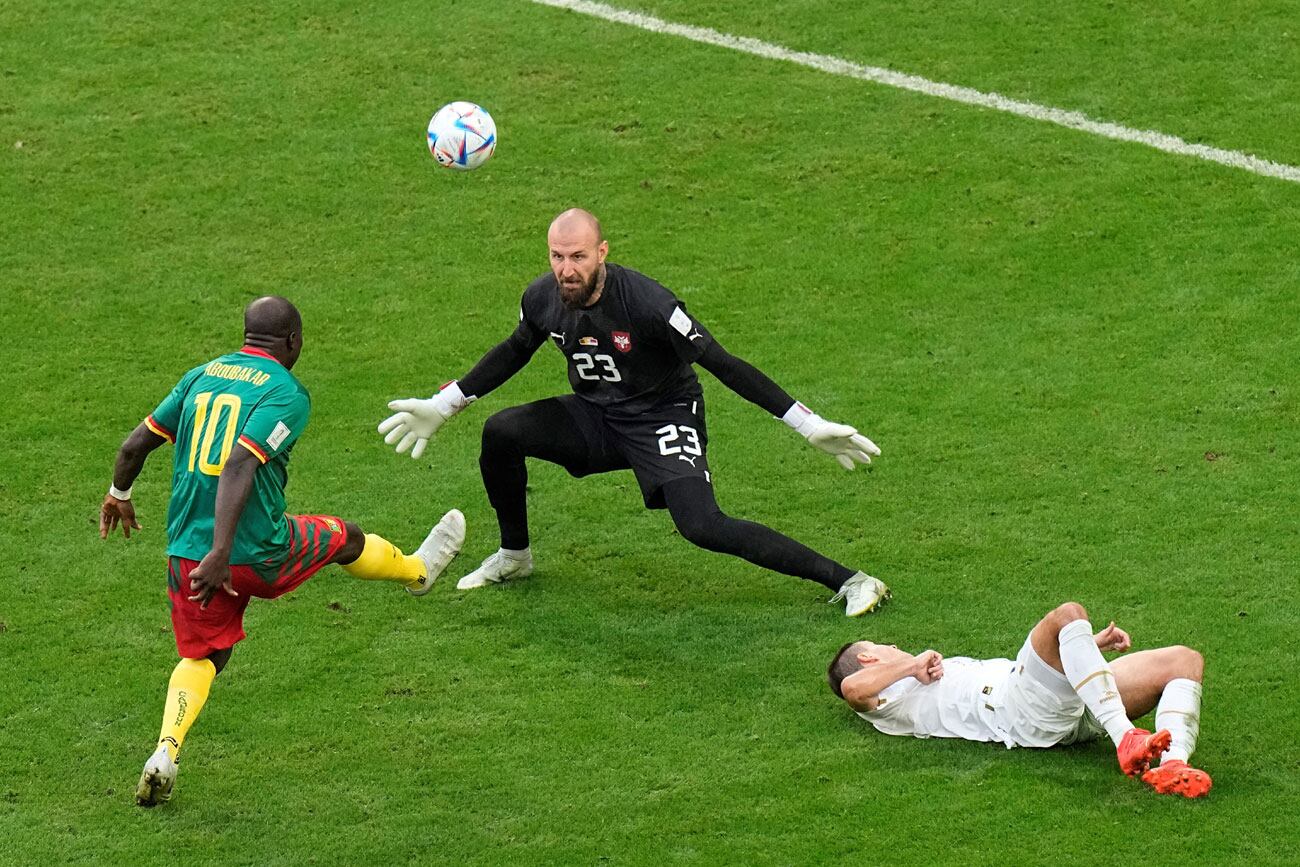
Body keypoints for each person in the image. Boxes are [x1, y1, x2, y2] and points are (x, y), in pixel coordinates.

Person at [379, 208, 889, 616]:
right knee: (503, 433)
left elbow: (724, 364)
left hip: (663, 415)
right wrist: (444, 405)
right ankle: (515, 557)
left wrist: (807, 423)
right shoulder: (542, 296)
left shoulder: (648, 303)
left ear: (602, 252)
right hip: (597, 416)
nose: (566, 269)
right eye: (557, 256)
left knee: (702, 525)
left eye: (578, 256)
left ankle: (851, 580)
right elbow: (515, 350)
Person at [100, 296, 466, 807]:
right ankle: (417, 572)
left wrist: (119, 495)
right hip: (253, 550)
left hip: (188, 554)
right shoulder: (286, 392)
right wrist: (225, 552)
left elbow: (134, 445)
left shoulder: (200, 375)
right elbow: (237, 466)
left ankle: (165, 752)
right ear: (293, 341)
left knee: (203, 654)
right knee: (347, 538)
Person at [826, 601, 1211, 798]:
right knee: (1067, 615)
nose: (894, 646)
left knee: (1183, 660)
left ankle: (1172, 765)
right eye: (884, 646)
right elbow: (852, 691)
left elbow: (1046, 673)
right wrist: (910, 666)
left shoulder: (915, 677)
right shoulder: (886, 702)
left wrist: (1090, 648)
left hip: (1056, 703)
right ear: (868, 658)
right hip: (1019, 710)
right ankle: (1126, 738)